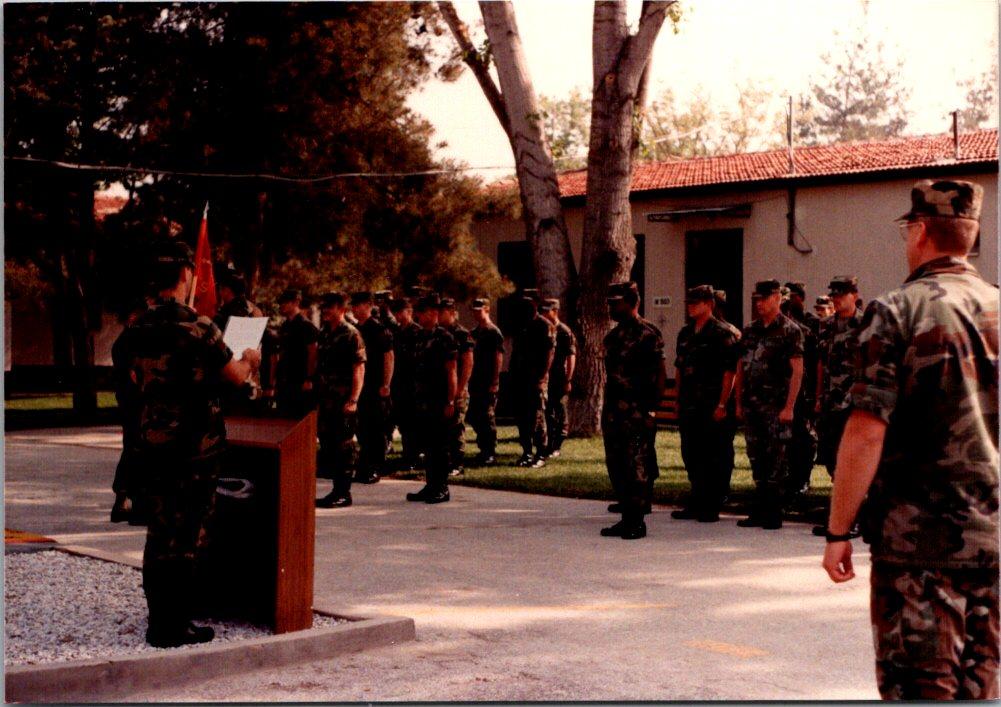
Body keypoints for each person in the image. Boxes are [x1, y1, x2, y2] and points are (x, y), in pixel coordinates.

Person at [822, 179, 998, 700]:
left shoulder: (897, 310)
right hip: (992, 539)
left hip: (919, 548)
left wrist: (838, 532)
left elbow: (864, 431)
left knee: (921, 690)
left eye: (907, 232)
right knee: (979, 689)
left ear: (920, 231)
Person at [125, 239, 261, 648]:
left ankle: (156, 622)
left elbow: (133, 378)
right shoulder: (198, 327)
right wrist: (251, 359)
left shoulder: (138, 328)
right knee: (185, 538)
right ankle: (175, 626)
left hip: (152, 443)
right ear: (186, 277)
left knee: (157, 532)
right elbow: (235, 375)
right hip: (192, 450)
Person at [734, 279, 804, 530]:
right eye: (757, 299)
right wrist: (739, 401)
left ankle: (773, 511)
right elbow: (741, 366)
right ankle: (760, 508)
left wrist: (789, 406)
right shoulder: (750, 331)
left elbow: (797, 370)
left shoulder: (790, 330)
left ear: (777, 298)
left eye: (764, 299)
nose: (759, 304)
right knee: (756, 457)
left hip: (776, 406)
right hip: (753, 405)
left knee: (776, 458)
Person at [601, 281, 666, 540]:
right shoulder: (613, 337)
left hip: (637, 412)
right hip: (614, 413)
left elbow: (660, 374)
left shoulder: (648, 334)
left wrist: (651, 409)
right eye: (610, 304)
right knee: (616, 465)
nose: (612, 308)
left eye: (616, 303)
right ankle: (626, 517)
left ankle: (637, 521)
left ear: (632, 302)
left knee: (636, 466)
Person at [672, 285, 739, 523]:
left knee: (715, 454)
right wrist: (678, 399)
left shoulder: (722, 333)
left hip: (713, 405)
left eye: (696, 302)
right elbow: (679, 368)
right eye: (689, 302)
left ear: (709, 304)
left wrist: (722, 404)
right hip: (691, 404)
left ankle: (712, 502)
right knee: (691, 452)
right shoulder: (686, 333)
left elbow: (730, 372)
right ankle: (697, 499)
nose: (691, 306)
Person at [811, 276, 863, 536]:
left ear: (854, 294)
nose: (836, 299)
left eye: (842, 294)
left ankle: (853, 519)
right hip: (832, 403)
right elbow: (821, 363)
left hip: (855, 404)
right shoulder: (826, 325)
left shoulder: (866, 325)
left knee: (852, 461)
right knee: (832, 460)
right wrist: (819, 397)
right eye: (834, 294)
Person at [315, 292, 366, 508]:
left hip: (343, 400)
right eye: (324, 307)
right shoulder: (325, 333)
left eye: (330, 307)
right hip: (326, 400)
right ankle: (336, 490)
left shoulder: (351, 334)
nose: (326, 311)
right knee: (329, 445)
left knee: (343, 446)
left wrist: (353, 399)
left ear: (341, 309)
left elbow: (359, 368)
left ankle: (344, 492)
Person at [406, 294, 458, 504]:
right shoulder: (418, 337)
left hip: (438, 399)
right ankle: (430, 484)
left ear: (433, 313)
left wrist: (450, 400)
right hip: (422, 400)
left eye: (423, 311)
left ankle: (441, 487)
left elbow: (451, 371)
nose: (418, 315)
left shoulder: (445, 338)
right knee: (427, 445)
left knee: (440, 445)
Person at [110, 297, 150, 525]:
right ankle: (134, 502)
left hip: (128, 403)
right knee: (138, 450)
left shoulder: (122, 341)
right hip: (138, 403)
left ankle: (123, 499)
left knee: (131, 448)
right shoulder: (133, 341)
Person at [508, 290, 556, 468]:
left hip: (536, 378)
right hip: (520, 378)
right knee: (522, 417)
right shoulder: (521, 324)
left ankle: (541, 453)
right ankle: (527, 451)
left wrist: (542, 376)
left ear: (536, 304)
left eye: (529, 302)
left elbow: (549, 354)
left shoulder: (544, 326)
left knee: (536, 416)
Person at [351, 291, 394, 484]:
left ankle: (375, 467)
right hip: (361, 385)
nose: (355, 308)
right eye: (353, 305)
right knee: (362, 428)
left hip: (375, 385)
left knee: (375, 428)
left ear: (368, 305)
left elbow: (389, 357)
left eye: (358, 305)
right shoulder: (354, 329)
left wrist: (386, 383)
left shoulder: (378, 329)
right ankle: (365, 465)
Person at [783, 281, 821, 500]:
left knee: (803, 438)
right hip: (780, 391)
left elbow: (816, 361)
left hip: (803, 391)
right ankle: (786, 480)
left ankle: (801, 479)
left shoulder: (809, 326)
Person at [271, 288, 319, 419]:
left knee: (300, 420)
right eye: (281, 303)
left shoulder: (306, 326)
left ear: (296, 302)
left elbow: (313, 353)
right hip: (285, 381)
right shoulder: (285, 326)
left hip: (300, 381)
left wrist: (309, 378)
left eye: (285, 302)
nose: (282, 306)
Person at [439, 298, 474, 476]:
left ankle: (457, 463)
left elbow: (467, 363)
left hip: (457, 387)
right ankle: (445, 461)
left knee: (456, 426)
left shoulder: (461, 333)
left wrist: (460, 388)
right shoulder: (438, 333)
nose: (439, 315)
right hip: (442, 387)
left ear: (452, 312)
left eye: (442, 311)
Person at [468, 298, 504, 466]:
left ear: (487, 309)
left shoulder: (493, 332)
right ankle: (483, 448)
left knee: (487, 416)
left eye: (479, 310)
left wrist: (495, 381)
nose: (476, 313)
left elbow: (498, 357)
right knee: (475, 415)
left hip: (488, 380)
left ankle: (490, 451)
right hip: (475, 381)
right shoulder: (474, 333)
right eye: (474, 310)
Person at [540, 298, 576, 459]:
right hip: (547, 377)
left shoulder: (564, 331)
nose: (544, 314)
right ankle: (549, 444)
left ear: (555, 311)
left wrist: (568, 379)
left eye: (547, 311)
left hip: (559, 377)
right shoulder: (546, 330)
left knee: (560, 411)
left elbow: (571, 357)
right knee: (548, 412)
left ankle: (557, 445)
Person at [389, 296, 422, 470]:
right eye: (396, 312)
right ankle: (408, 455)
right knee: (403, 421)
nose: (397, 316)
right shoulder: (395, 333)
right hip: (399, 383)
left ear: (409, 312)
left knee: (412, 423)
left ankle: (413, 456)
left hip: (412, 384)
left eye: (400, 312)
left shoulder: (417, 332)